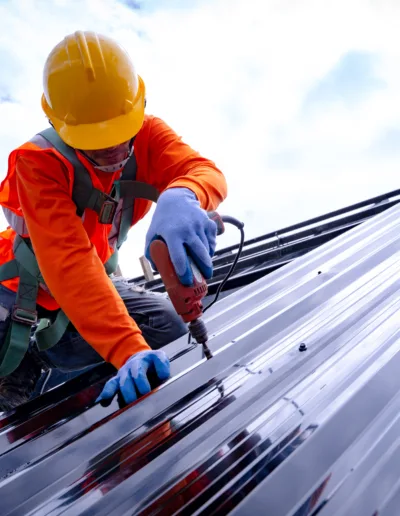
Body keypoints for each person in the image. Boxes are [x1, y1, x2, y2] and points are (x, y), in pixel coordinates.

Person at [0, 30, 227, 412]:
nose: (114, 149)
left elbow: (202, 170)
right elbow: (70, 264)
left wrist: (185, 193)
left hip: (85, 290)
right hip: (14, 290)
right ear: (60, 125)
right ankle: (16, 366)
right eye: (97, 141)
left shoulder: (149, 135)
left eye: (121, 135)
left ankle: (45, 355)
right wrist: (127, 349)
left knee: (168, 325)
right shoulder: (38, 163)